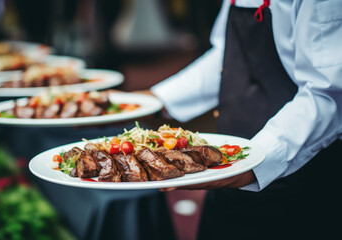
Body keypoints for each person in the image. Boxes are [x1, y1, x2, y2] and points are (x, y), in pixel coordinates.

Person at [144, 0, 342, 239]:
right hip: (225, 171)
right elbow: (225, 55)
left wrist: (253, 163)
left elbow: (327, 93)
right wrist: (153, 100)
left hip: (298, 181)